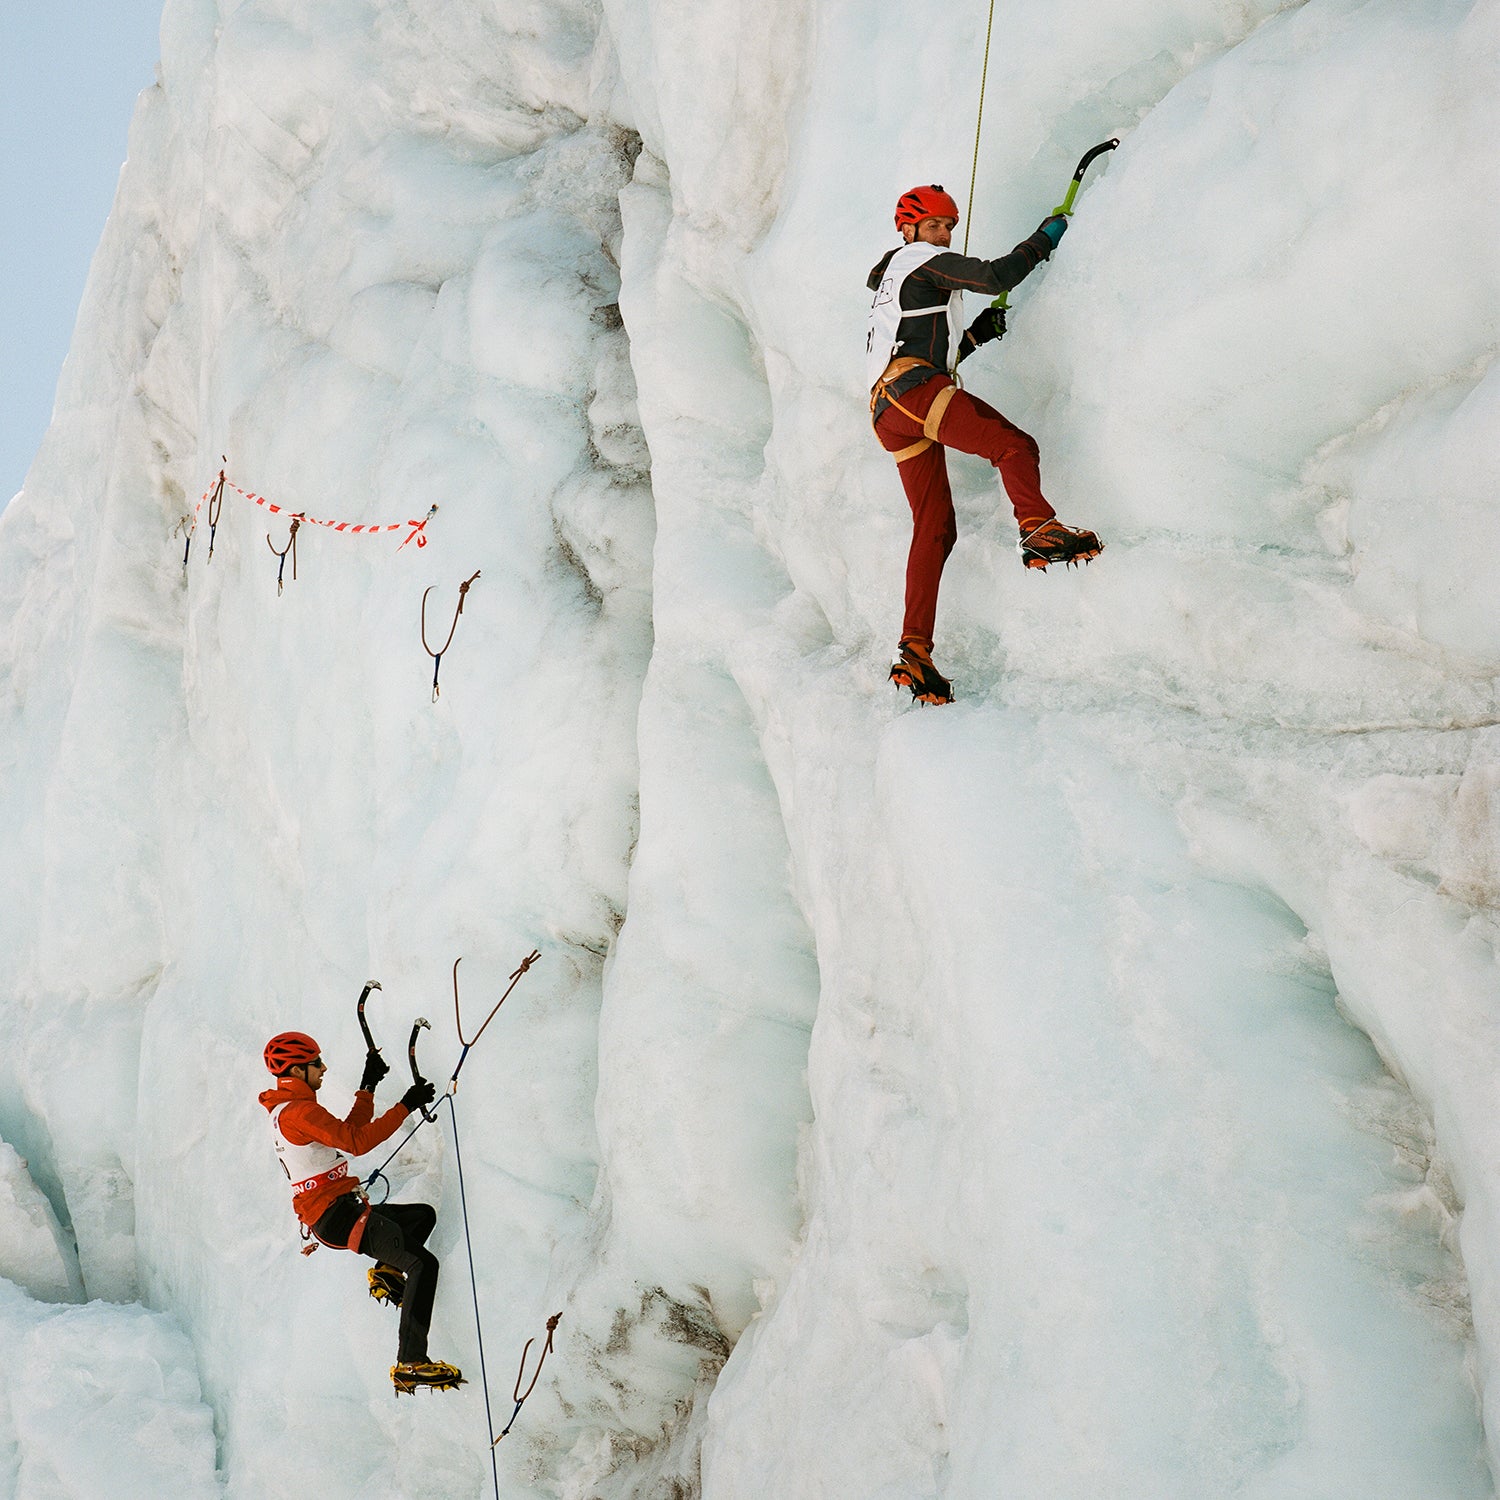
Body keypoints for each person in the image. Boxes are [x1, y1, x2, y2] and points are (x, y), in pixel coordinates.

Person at [866, 183, 1104, 705]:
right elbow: (996, 275)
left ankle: (915, 651)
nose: (944, 234)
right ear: (908, 230)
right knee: (1013, 445)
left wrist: (973, 336)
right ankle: (1038, 529)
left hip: (893, 408)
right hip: (913, 390)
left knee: (935, 528)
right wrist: (1048, 235)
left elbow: (922, 341)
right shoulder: (920, 260)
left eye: (949, 225)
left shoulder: (898, 280)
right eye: (934, 225)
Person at [259, 1030, 463, 1394]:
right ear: (297, 1070)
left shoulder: (292, 1109)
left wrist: (367, 1086)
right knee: (423, 1264)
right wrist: (406, 1105)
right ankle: (411, 1362)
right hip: (336, 1215)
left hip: (338, 1209)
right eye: (316, 1063)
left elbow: (348, 1132)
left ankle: (387, 1272)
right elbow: (357, 1142)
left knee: (421, 1216)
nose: (324, 1067)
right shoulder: (298, 1111)